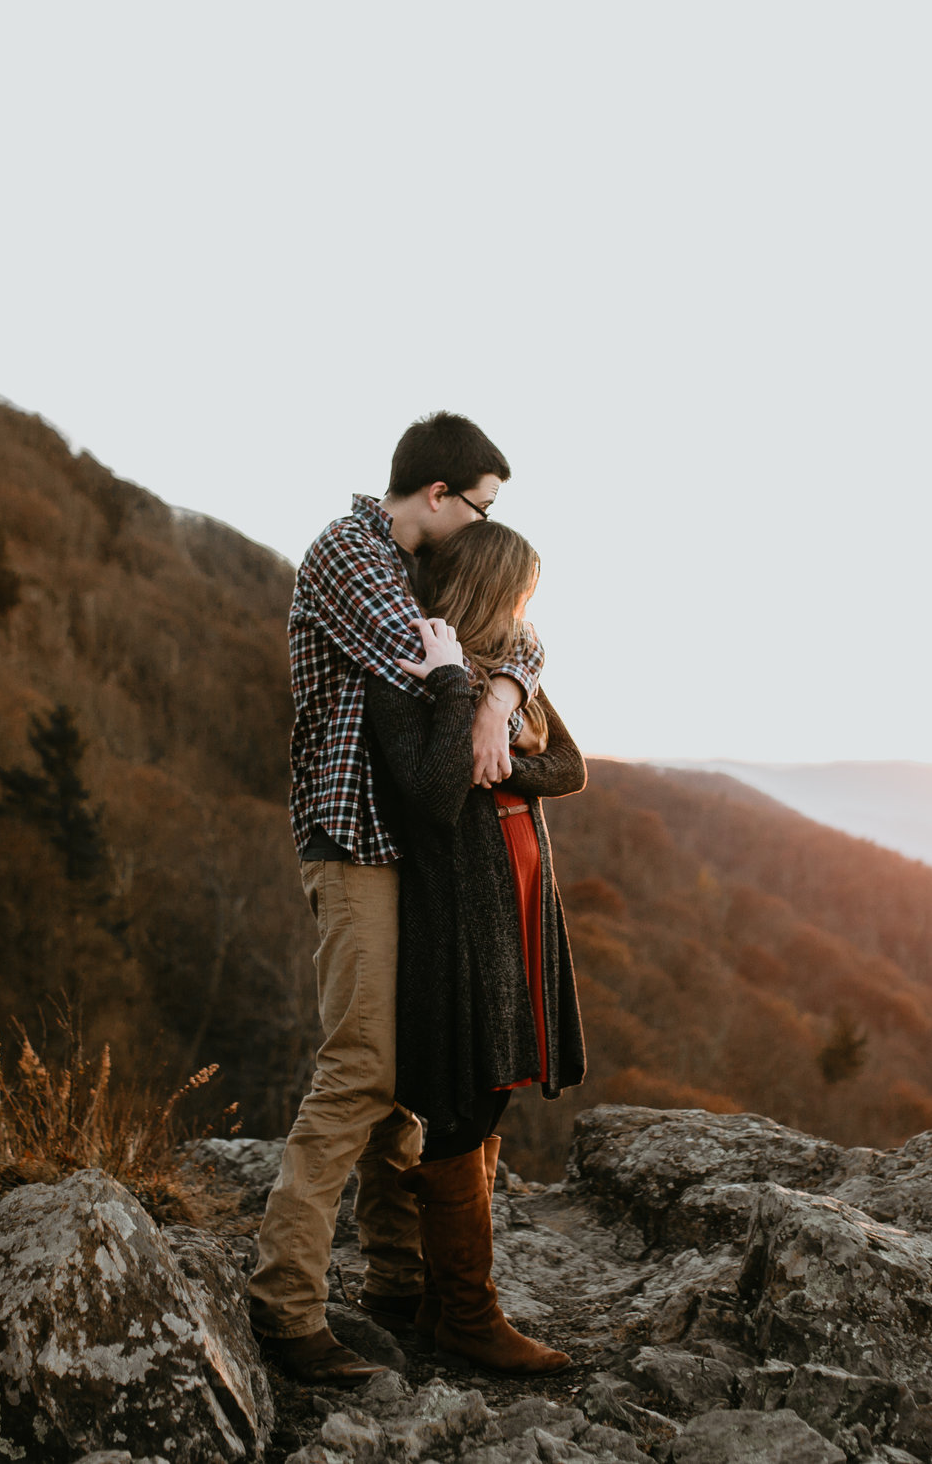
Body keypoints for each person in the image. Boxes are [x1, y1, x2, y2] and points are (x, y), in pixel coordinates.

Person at [250, 413, 544, 1385]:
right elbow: (433, 660)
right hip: (356, 841)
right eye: (483, 504)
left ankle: (395, 1280)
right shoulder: (351, 555)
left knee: (402, 1070)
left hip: (407, 846)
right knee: (360, 1070)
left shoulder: (409, 566)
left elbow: (513, 638)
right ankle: (283, 1304)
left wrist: (498, 693)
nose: (486, 521)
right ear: (437, 494)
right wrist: (484, 673)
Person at [365, 520, 585, 1374]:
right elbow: (425, 796)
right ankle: (466, 1312)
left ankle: (440, 1298)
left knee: (496, 1087)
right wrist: (465, 698)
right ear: (491, 588)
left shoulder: (512, 664)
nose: (527, 608)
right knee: (464, 1091)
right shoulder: (411, 668)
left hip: (524, 899)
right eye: (520, 591)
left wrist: (500, 755)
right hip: (459, 903)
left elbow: (568, 766)